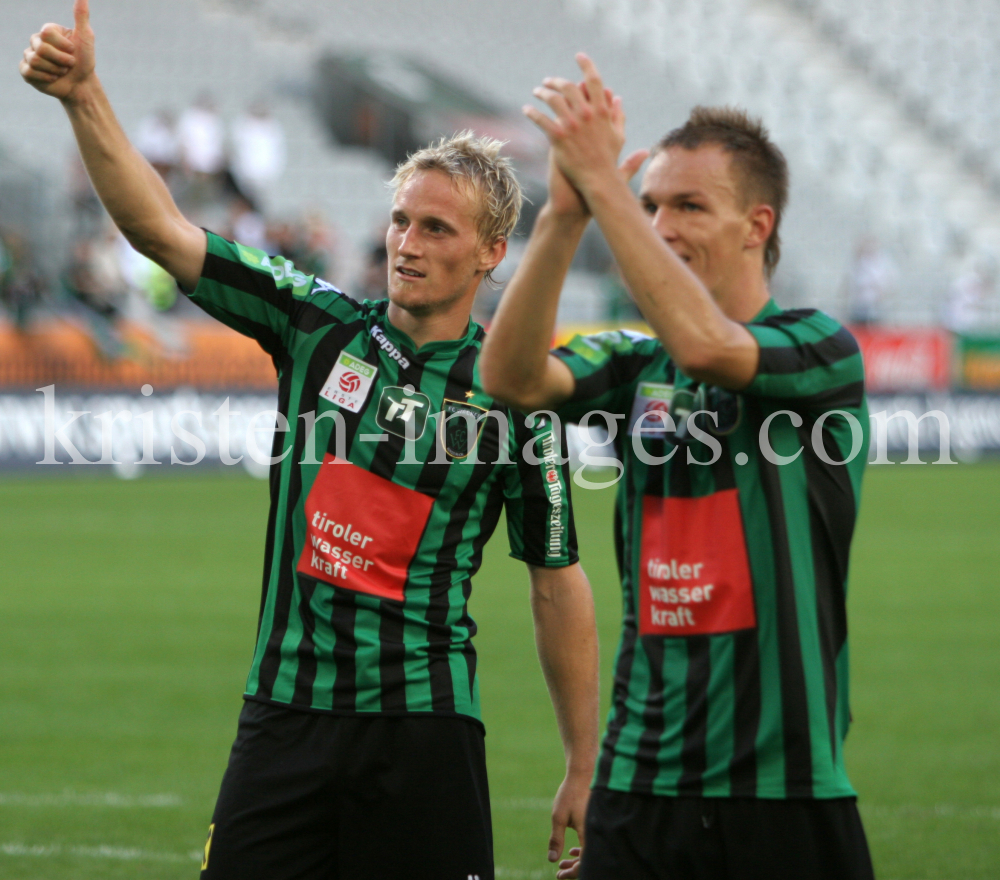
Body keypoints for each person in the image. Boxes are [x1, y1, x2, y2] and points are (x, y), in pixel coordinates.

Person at [19, 6, 600, 879]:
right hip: (283, 720)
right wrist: (84, 95)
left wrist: (582, 762)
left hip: (425, 730)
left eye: (435, 229)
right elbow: (163, 233)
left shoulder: (517, 397)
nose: (405, 243)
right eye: (401, 220)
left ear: (490, 252)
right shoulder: (317, 323)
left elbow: (557, 582)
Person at [481, 55, 873, 880]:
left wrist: (608, 189)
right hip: (640, 783)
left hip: (783, 787)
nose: (659, 226)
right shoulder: (633, 366)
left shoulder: (819, 350)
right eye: (650, 203)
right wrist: (562, 217)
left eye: (689, 206)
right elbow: (509, 378)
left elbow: (711, 346)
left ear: (756, 226)